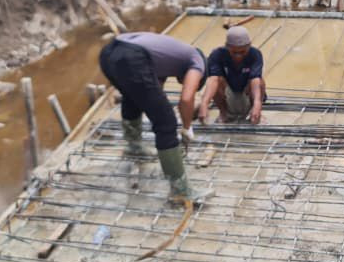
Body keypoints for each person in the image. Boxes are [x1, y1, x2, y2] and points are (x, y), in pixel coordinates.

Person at [98, 31, 211, 204]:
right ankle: (180, 191)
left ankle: (133, 147)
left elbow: (152, 91)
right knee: (166, 122)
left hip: (109, 54)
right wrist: (187, 128)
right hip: (131, 57)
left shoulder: (171, 54)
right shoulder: (196, 61)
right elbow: (187, 98)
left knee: (132, 96)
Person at [199, 25, 267, 125]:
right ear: (227, 46)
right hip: (228, 91)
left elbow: (255, 80)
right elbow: (213, 79)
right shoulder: (217, 54)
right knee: (217, 80)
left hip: (247, 91)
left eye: (242, 52)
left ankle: (255, 111)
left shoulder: (255, 54)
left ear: (249, 46)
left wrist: (257, 103)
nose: (238, 56)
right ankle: (224, 113)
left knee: (260, 82)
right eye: (234, 52)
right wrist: (204, 103)